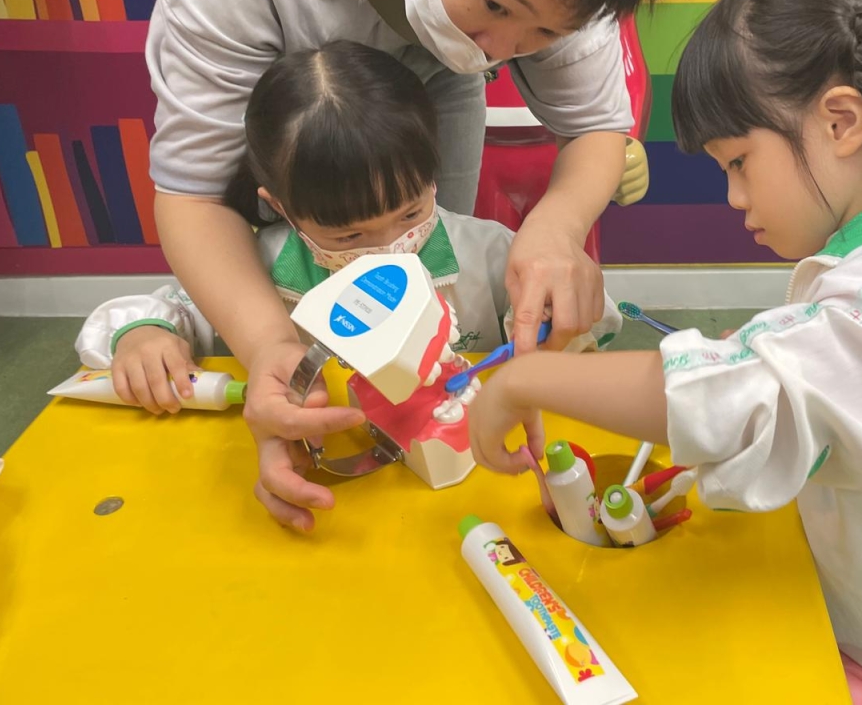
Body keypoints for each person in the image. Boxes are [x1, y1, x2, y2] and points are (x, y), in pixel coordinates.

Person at [466, 0, 862, 703]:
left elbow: (754, 397)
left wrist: (526, 378)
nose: (734, 197)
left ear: (841, 122)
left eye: (741, 162)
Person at [146, 0, 689, 520]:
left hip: (429, 67)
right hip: (297, 106)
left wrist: (558, 228)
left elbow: (595, 125)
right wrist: (272, 350)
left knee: (430, 288)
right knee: (289, 286)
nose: (502, 53)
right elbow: (194, 193)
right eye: (496, 5)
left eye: (543, 35)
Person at [86, 44, 619, 519]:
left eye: (410, 214)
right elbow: (166, 310)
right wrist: (146, 335)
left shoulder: (488, 251)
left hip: (476, 496)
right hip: (344, 507)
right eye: (348, 235)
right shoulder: (259, 268)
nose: (388, 246)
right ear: (282, 207)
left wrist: (559, 322)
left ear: (434, 176)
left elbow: (591, 328)